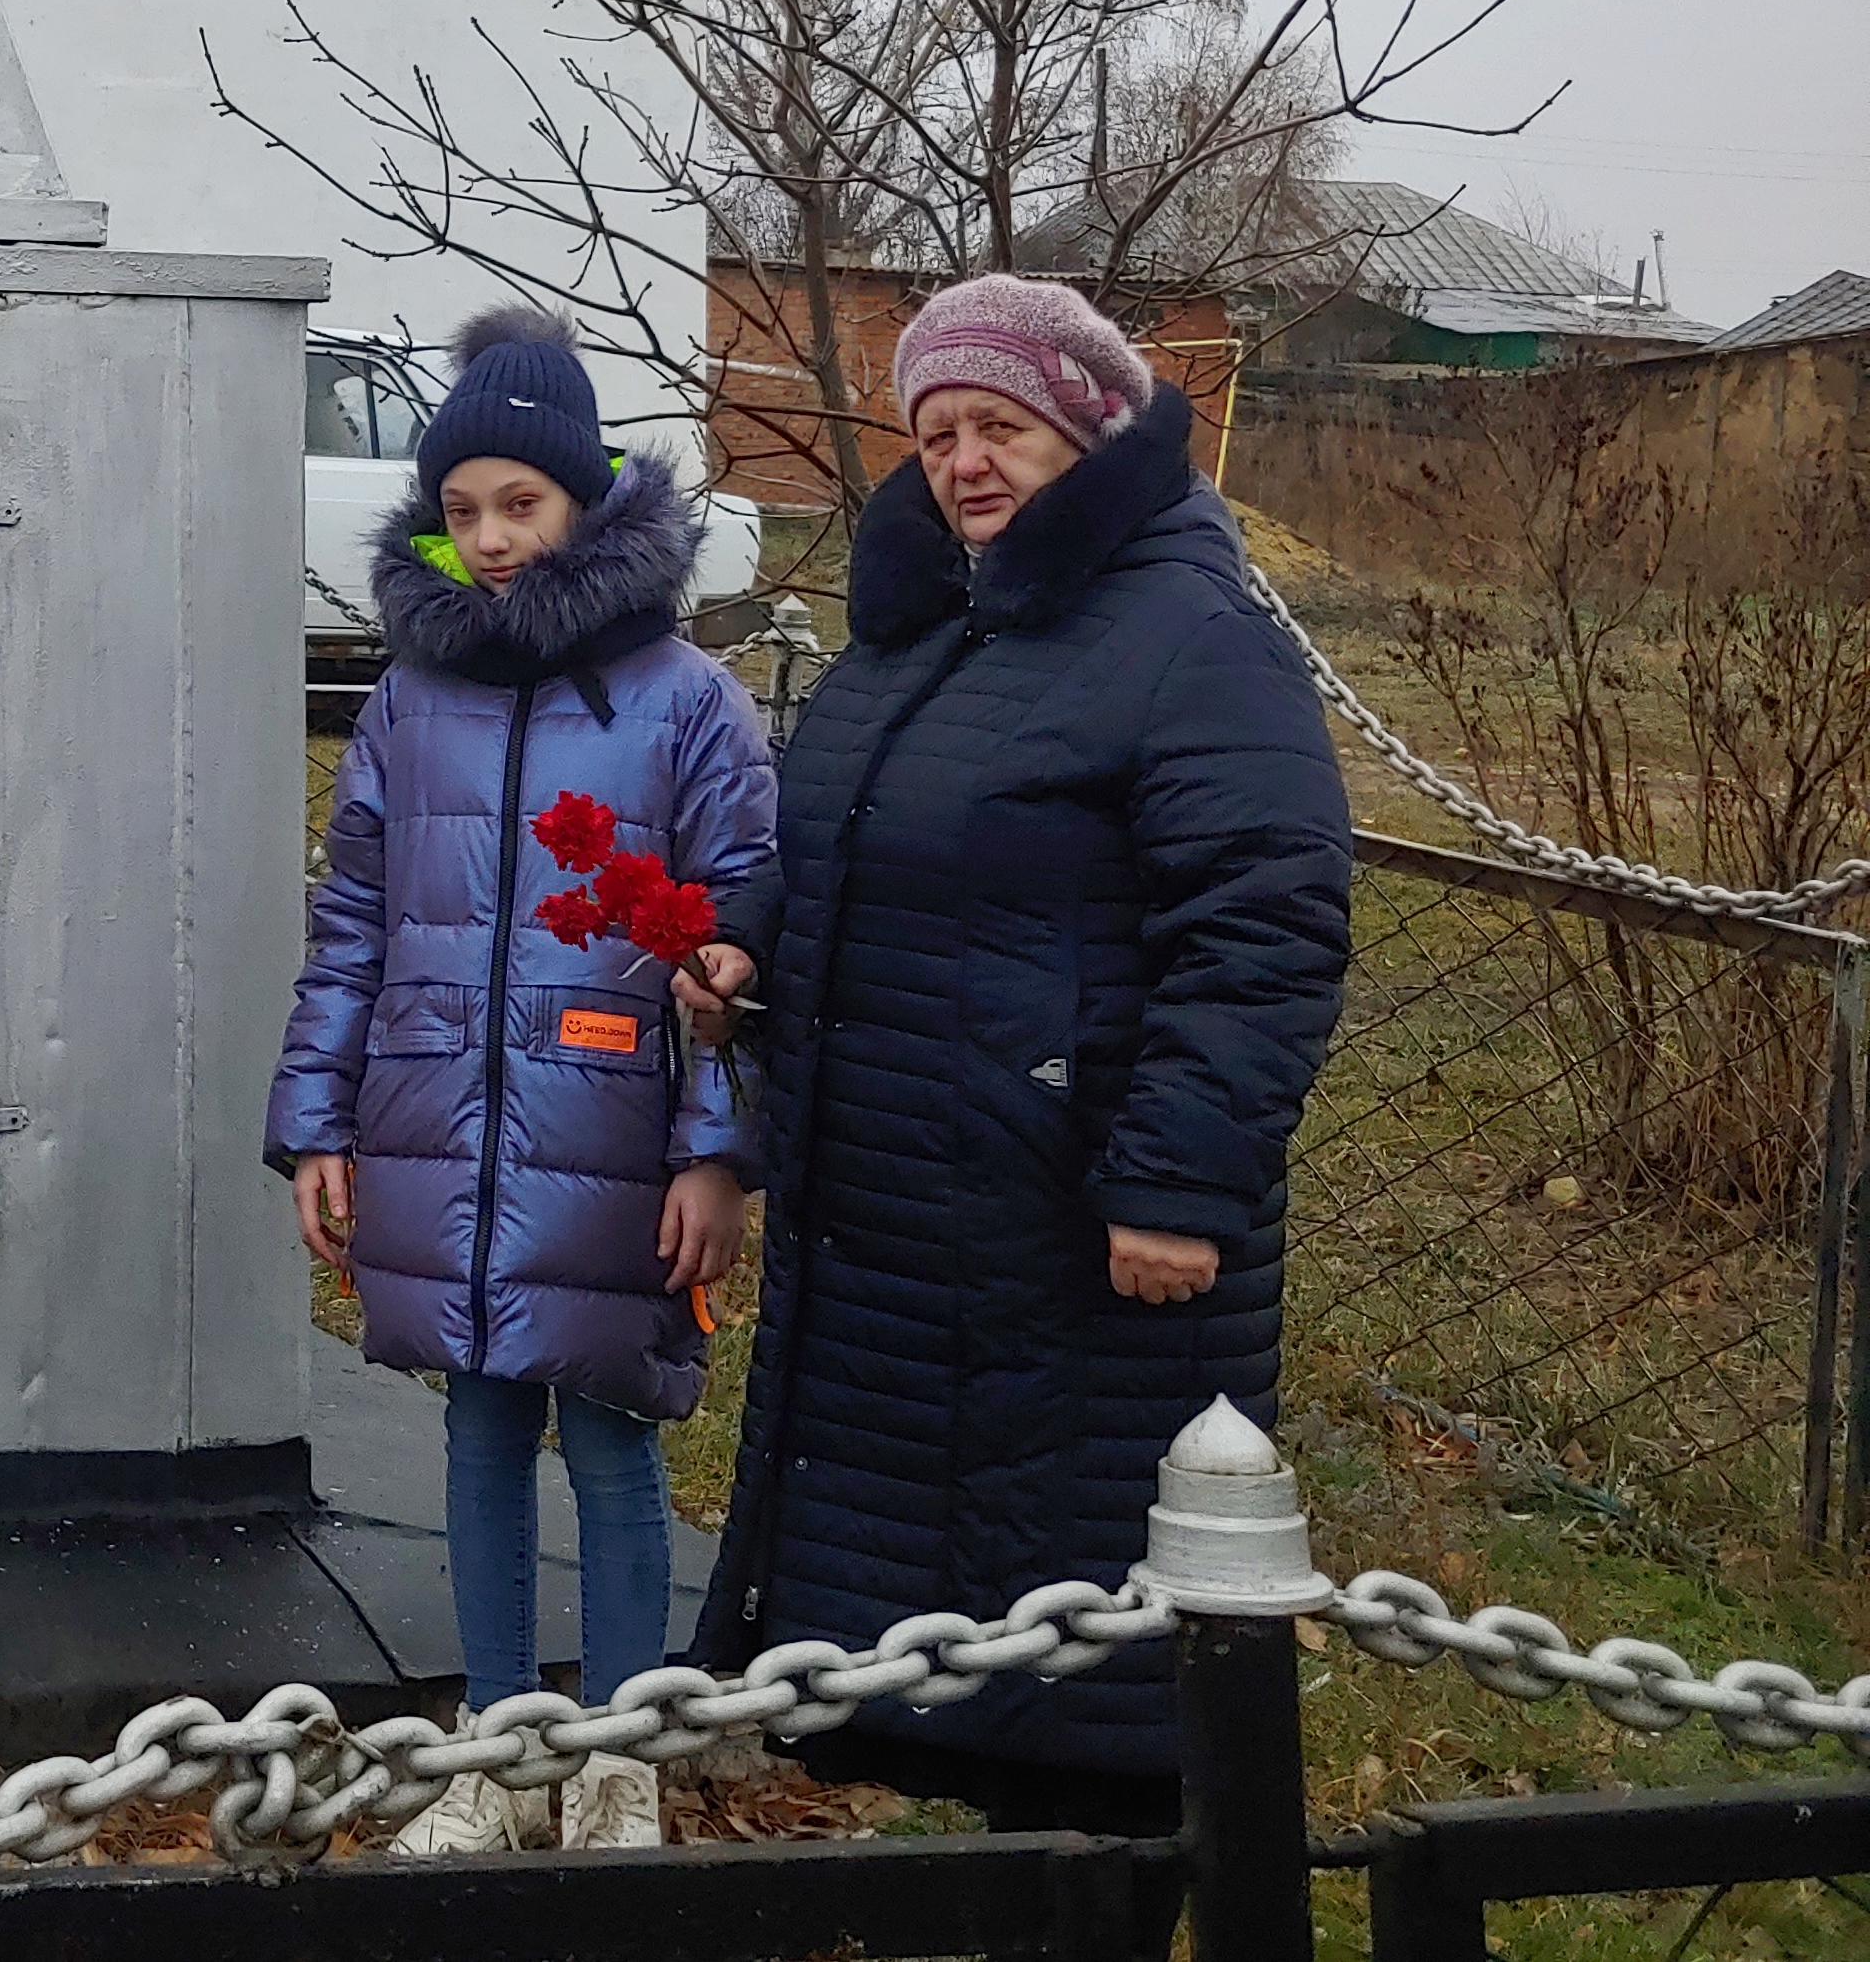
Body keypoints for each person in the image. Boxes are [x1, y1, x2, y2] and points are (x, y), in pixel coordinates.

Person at [682, 272, 1351, 1842]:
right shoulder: (931, 622)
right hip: (911, 1217)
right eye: (937, 432)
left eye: (1002, 427)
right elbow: (855, 840)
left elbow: (1262, 926)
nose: (966, 462)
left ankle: (1111, 1902)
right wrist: (750, 940)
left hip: (1083, 1225)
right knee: (950, 1638)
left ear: (1091, 434)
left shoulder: (1192, 631)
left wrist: (1179, 1182)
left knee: (1092, 1669)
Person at [267, 307, 777, 1856]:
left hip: (612, 1126)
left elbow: (735, 949)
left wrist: (715, 1155)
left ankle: (616, 1745)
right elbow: (353, 916)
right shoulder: (415, 698)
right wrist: (318, 1124)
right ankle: (497, 1738)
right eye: (463, 509)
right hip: (435, 1122)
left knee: (613, 1431)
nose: (489, 541)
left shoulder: (685, 701)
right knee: (479, 1428)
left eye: (522, 506)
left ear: (586, 502)